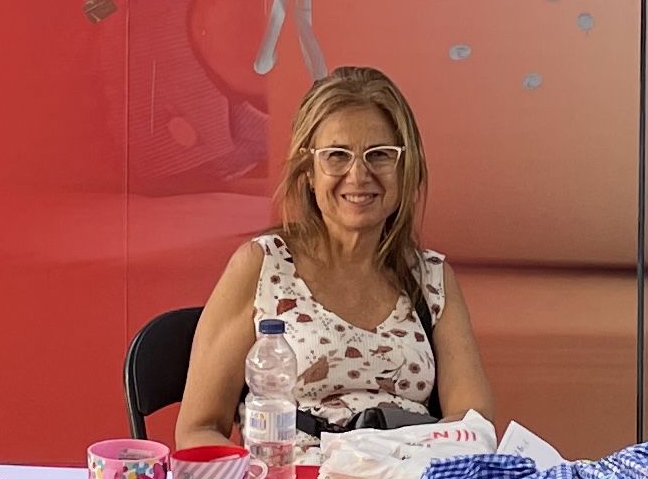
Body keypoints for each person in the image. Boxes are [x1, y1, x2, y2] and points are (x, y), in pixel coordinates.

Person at [176, 65, 493, 449]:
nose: (358, 175)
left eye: (379, 155)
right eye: (337, 156)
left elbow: (473, 425)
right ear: (308, 170)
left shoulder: (432, 278)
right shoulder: (263, 266)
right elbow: (197, 431)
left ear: (404, 167)